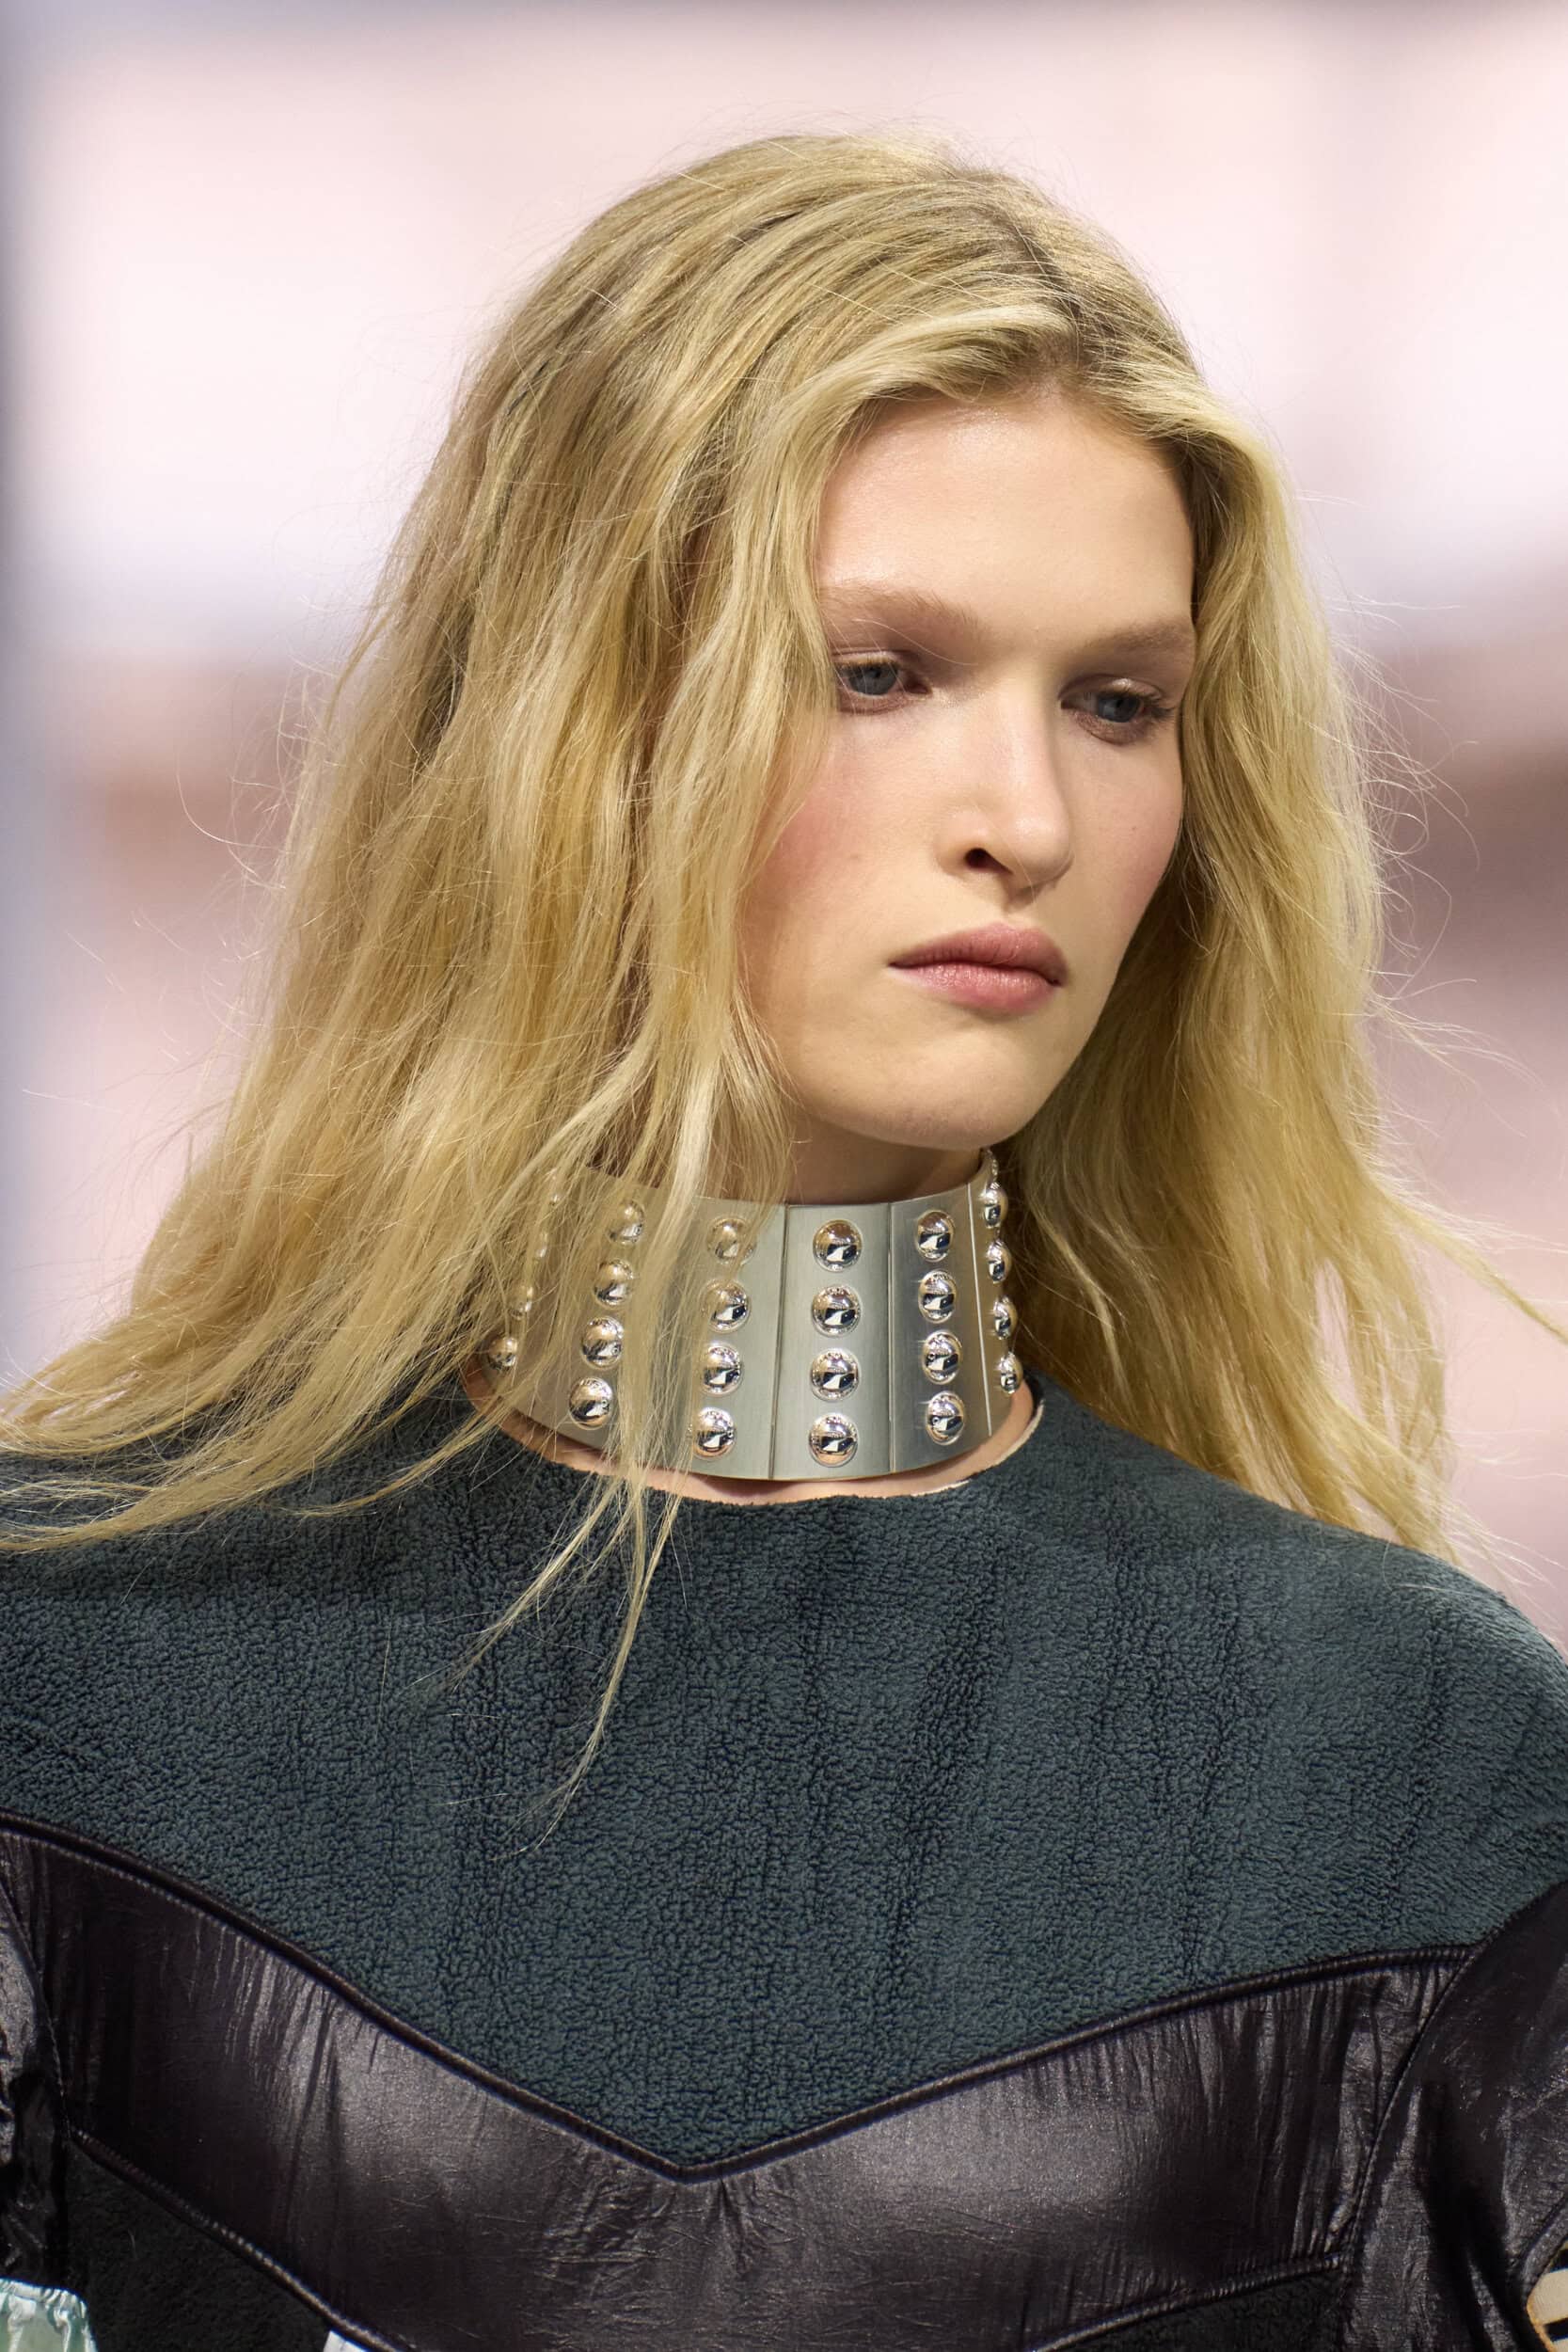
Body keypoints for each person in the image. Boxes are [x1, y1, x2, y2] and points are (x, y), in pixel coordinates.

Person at [1, 126, 1566, 2352]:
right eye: (881, 670)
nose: (1025, 815)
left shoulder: (1415, 1761)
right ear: (571, 722)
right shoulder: (75, 1660)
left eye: (1119, 700)